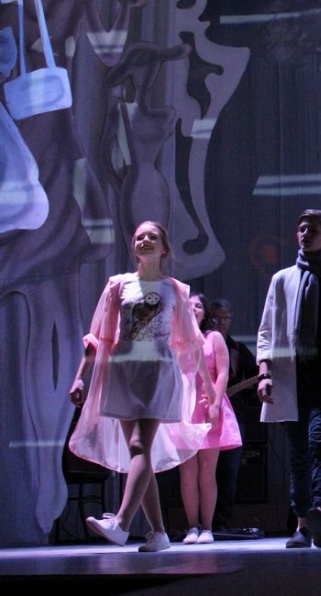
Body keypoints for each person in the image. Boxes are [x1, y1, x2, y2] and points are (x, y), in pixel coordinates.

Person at [68, 220, 214, 552]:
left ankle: (121, 523)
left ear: (164, 248)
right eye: (139, 237)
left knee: (138, 445)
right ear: (134, 246)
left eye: (152, 236)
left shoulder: (175, 289)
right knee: (141, 453)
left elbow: (192, 342)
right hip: (123, 370)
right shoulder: (118, 285)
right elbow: (100, 337)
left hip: (157, 370)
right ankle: (159, 533)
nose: (145, 240)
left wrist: (206, 386)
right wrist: (80, 376)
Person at [256, 209, 321, 549]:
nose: (305, 234)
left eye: (312, 230)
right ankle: (302, 524)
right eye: (302, 229)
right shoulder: (282, 279)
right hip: (292, 377)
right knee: (298, 452)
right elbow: (267, 330)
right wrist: (264, 373)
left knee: (320, 443)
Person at [179, 293, 242, 544]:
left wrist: (215, 404)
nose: (193, 308)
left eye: (198, 305)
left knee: (207, 472)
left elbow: (223, 372)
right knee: (187, 472)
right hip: (184, 407)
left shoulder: (213, 337)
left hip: (208, 404)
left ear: (205, 312)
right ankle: (191, 527)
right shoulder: (176, 339)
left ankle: (207, 527)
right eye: (189, 305)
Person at [208, 298, 260, 533]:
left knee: (229, 470)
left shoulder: (238, 350)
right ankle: (199, 522)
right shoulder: (201, 343)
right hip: (202, 414)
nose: (220, 323)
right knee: (203, 470)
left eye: (225, 318)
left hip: (231, 417)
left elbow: (257, 376)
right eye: (215, 318)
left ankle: (220, 522)